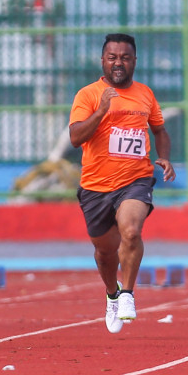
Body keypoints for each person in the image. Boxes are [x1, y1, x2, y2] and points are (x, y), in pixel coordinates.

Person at [68, 33, 176, 334]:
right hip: (95, 186)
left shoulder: (145, 94)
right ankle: (112, 294)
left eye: (125, 58)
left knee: (131, 230)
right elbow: (76, 138)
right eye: (113, 57)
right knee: (104, 252)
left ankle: (127, 293)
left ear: (134, 62)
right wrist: (102, 111)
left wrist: (164, 157)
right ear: (103, 61)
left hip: (136, 180)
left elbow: (160, 130)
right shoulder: (88, 95)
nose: (119, 63)